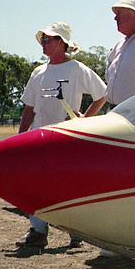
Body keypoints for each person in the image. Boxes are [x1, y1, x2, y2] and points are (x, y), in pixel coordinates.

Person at [15, 22, 107, 248]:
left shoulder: (77, 69)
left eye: (48, 40)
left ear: (61, 43)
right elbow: (29, 108)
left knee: (70, 185)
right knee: (36, 186)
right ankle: (38, 231)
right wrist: (20, 138)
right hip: (40, 138)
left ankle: (77, 233)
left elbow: (102, 94)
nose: (43, 44)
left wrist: (84, 119)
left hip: (67, 138)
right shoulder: (38, 72)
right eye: (43, 39)